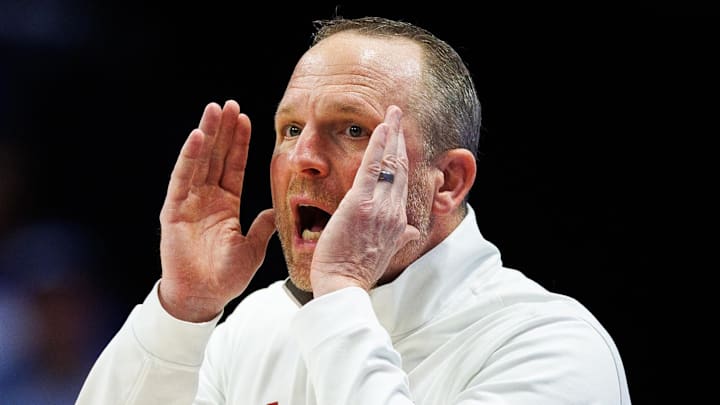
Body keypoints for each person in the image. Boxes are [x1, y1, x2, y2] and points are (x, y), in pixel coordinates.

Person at [76, 16, 631, 404]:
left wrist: (341, 292)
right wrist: (182, 314)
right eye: (291, 129)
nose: (305, 159)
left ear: (449, 182)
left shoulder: (548, 345)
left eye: (352, 129)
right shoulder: (255, 329)